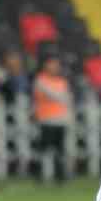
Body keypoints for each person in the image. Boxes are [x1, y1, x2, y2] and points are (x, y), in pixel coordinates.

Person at [31, 54, 72, 184]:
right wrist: (63, 98)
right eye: (51, 64)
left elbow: (67, 99)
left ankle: (60, 176)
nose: (54, 67)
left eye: (56, 64)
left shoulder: (62, 81)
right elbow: (58, 96)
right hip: (46, 119)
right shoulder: (40, 80)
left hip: (60, 120)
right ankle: (41, 175)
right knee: (44, 149)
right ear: (45, 66)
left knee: (60, 150)